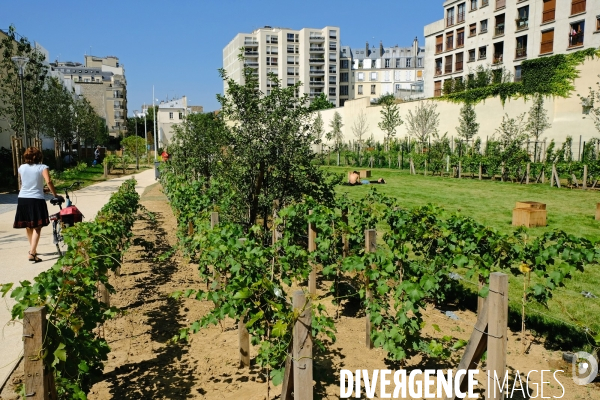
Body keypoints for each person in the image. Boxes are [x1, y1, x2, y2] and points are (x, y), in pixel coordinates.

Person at [13, 147, 62, 262]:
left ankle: (32, 249)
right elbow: (48, 181)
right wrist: (55, 195)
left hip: (23, 198)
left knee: (28, 225)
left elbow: (28, 182)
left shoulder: (21, 168)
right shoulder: (42, 167)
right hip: (36, 199)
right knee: (37, 226)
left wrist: (41, 188)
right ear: (39, 157)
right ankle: (32, 253)